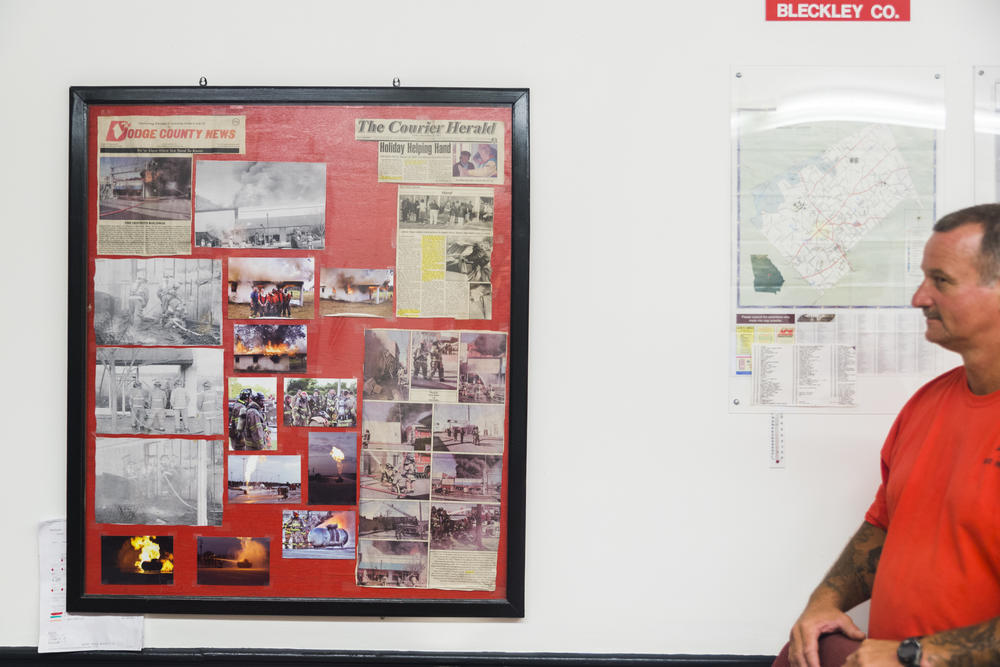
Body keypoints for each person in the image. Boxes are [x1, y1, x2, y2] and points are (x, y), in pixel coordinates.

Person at [776, 204, 1000, 667]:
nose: (920, 297)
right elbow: (884, 526)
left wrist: (914, 655)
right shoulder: (927, 403)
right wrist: (825, 601)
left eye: (941, 280)